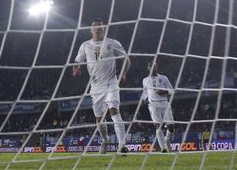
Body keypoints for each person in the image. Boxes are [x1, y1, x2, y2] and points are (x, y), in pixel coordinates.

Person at [72, 18, 130, 154]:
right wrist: (76, 68)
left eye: (100, 27)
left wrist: (124, 74)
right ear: (91, 30)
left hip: (111, 82)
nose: (97, 29)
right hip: (96, 86)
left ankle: (122, 145)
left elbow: (126, 59)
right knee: (99, 118)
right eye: (94, 27)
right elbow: (77, 60)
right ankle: (106, 140)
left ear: (104, 29)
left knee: (114, 111)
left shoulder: (112, 43)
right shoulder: (85, 45)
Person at [141, 59, 175, 152]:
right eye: (151, 66)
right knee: (158, 126)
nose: (153, 67)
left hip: (164, 102)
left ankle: (167, 141)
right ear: (148, 68)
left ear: (157, 67)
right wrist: (143, 99)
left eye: (154, 66)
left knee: (171, 127)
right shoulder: (145, 80)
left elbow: (172, 90)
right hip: (153, 104)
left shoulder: (163, 78)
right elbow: (145, 92)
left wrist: (163, 92)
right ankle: (163, 148)